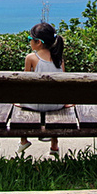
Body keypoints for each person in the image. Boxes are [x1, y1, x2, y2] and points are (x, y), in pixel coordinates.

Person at [18, 22, 65, 154]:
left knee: (20, 105)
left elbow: (26, 82)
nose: (29, 41)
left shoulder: (31, 58)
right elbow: (63, 83)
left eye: (30, 38)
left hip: (36, 104)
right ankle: (54, 145)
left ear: (38, 42)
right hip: (56, 104)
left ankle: (23, 140)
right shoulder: (59, 59)